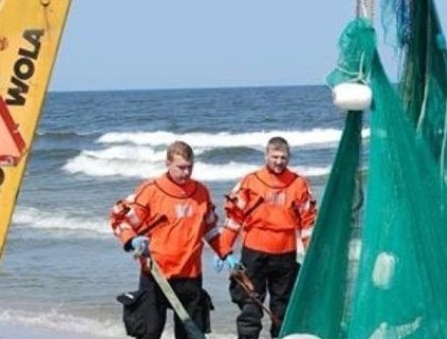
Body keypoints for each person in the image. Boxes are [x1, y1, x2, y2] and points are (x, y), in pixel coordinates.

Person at [109, 141, 226, 339]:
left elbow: (210, 227)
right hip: (156, 275)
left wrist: (224, 253)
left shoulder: (201, 192)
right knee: (149, 332)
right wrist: (132, 240)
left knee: (192, 335)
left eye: (190, 167)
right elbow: (119, 218)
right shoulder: (150, 190)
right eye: (181, 167)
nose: (186, 172)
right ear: (168, 164)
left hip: (190, 275)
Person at [219, 136, 317, 339]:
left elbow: (307, 223)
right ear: (266, 156)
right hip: (254, 254)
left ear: (289, 157)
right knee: (250, 305)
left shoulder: (298, 184)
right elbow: (234, 218)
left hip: (286, 255)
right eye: (275, 157)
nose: (279, 161)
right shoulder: (250, 182)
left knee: (282, 307)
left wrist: (310, 254)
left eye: (283, 157)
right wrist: (224, 250)